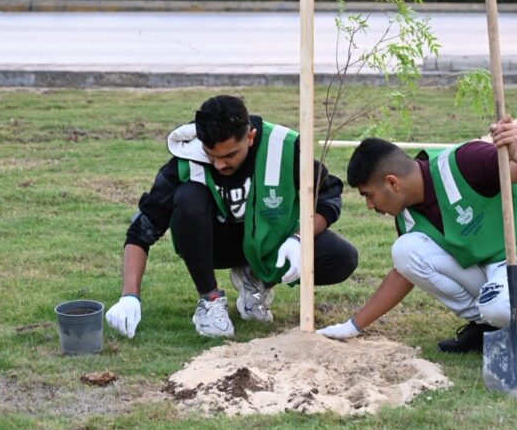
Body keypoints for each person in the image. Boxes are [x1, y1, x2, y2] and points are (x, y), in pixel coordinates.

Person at [317, 116, 517, 369]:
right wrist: (353, 326)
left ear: (393, 182)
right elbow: (404, 272)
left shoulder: (465, 162)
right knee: (406, 251)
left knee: (498, 304)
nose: (369, 205)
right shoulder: (407, 218)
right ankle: (487, 325)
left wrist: (516, 151)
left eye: (369, 195)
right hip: (493, 273)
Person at [106, 95, 358, 339]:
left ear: (250, 137)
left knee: (342, 258)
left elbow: (328, 196)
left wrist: (299, 238)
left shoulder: (283, 147)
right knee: (187, 197)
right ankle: (210, 300)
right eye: (211, 155)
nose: (219, 165)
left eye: (229, 156)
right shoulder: (185, 159)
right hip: (215, 247)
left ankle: (255, 277)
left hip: (271, 243)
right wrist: (129, 297)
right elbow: (142, 230)